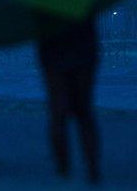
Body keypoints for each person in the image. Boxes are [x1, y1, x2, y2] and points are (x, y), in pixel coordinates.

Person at [38, 19, 101, 184]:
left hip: (53, 44)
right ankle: (92, 169)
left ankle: (63, 169)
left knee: (58, 113)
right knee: (84, 112)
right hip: (83, 42)